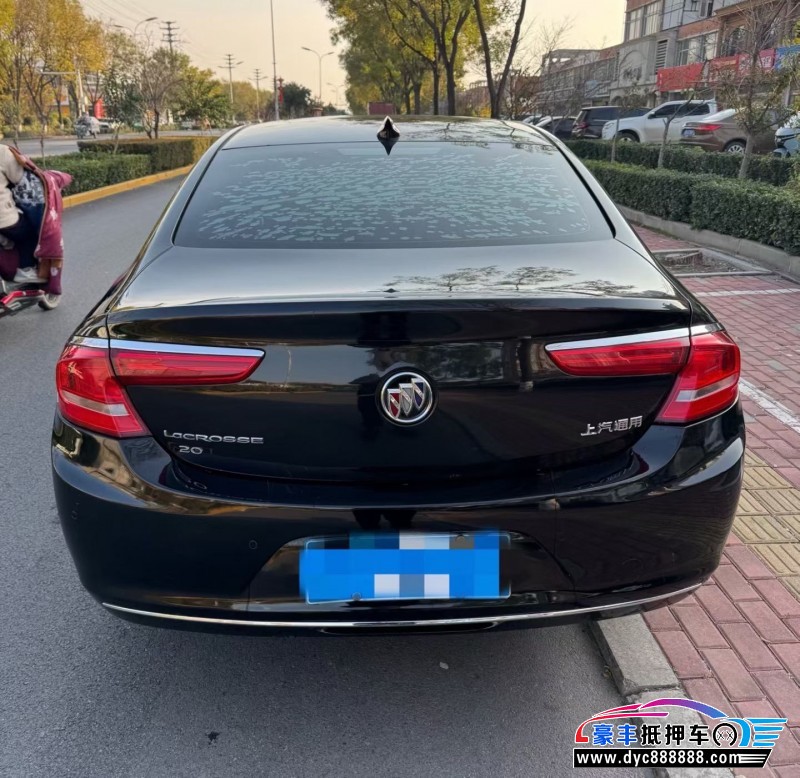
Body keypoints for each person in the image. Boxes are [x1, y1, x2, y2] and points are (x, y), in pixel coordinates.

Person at [0, 144, 42, 284]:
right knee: (28, 234)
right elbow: (18, 178)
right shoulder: (2, 151)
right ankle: (26, 269)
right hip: (3, 217)